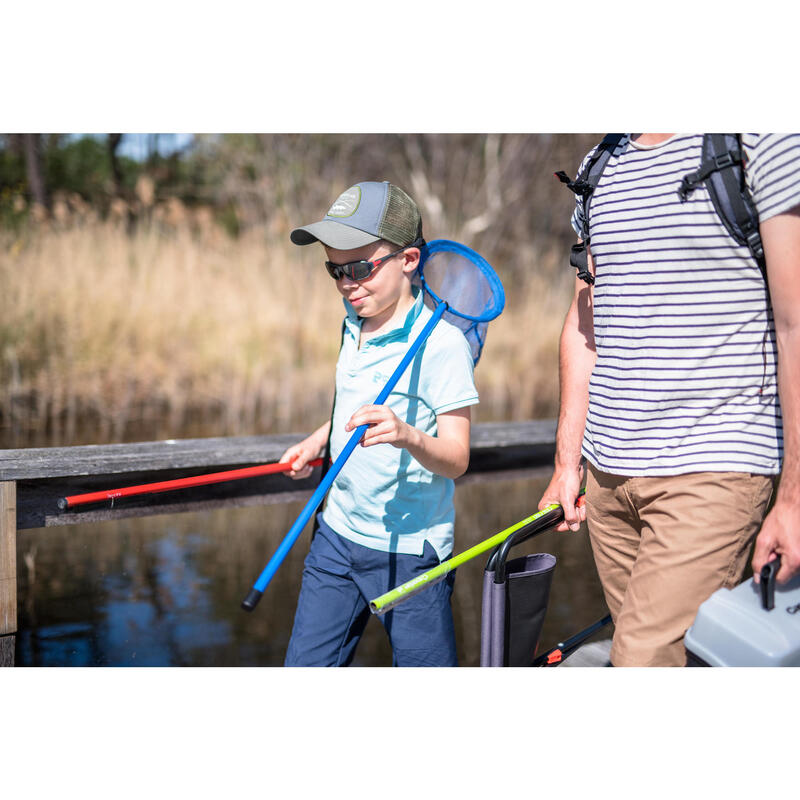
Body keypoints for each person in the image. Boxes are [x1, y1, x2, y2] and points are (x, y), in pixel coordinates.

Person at [539, 134, 800, 667]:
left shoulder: (757, 138)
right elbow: (583, 321)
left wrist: (794, 498)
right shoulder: (600, 165)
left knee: (639, 661)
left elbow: (794, 321)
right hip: (608, 483)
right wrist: (568, 461)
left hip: (715, 470)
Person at [280, 180, 478, 666]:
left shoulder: (443, 344)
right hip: (336, 534)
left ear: (408, 261)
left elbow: (457, 460)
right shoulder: (354, 321)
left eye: (361, 267)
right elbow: (355, 407)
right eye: (334, 269)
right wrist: (318, 439)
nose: (347, 283)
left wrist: (408, 435)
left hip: (408, 551)